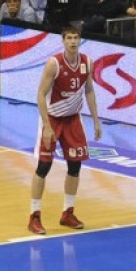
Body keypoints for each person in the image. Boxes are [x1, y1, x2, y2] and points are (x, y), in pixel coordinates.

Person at [28, 27, 102, 235]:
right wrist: (47, 126)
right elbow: (41, 95)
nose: (73, 41)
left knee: (75, 166)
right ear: (63, 41)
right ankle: (34, 216)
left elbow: (89, 90)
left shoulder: (87, 62)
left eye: (76, 37)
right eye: (69, 38)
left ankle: (67, 213)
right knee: (44, 166)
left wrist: (96, 121)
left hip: (72, 119)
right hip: (52, 118)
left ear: (80, 40)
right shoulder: (54, 64)